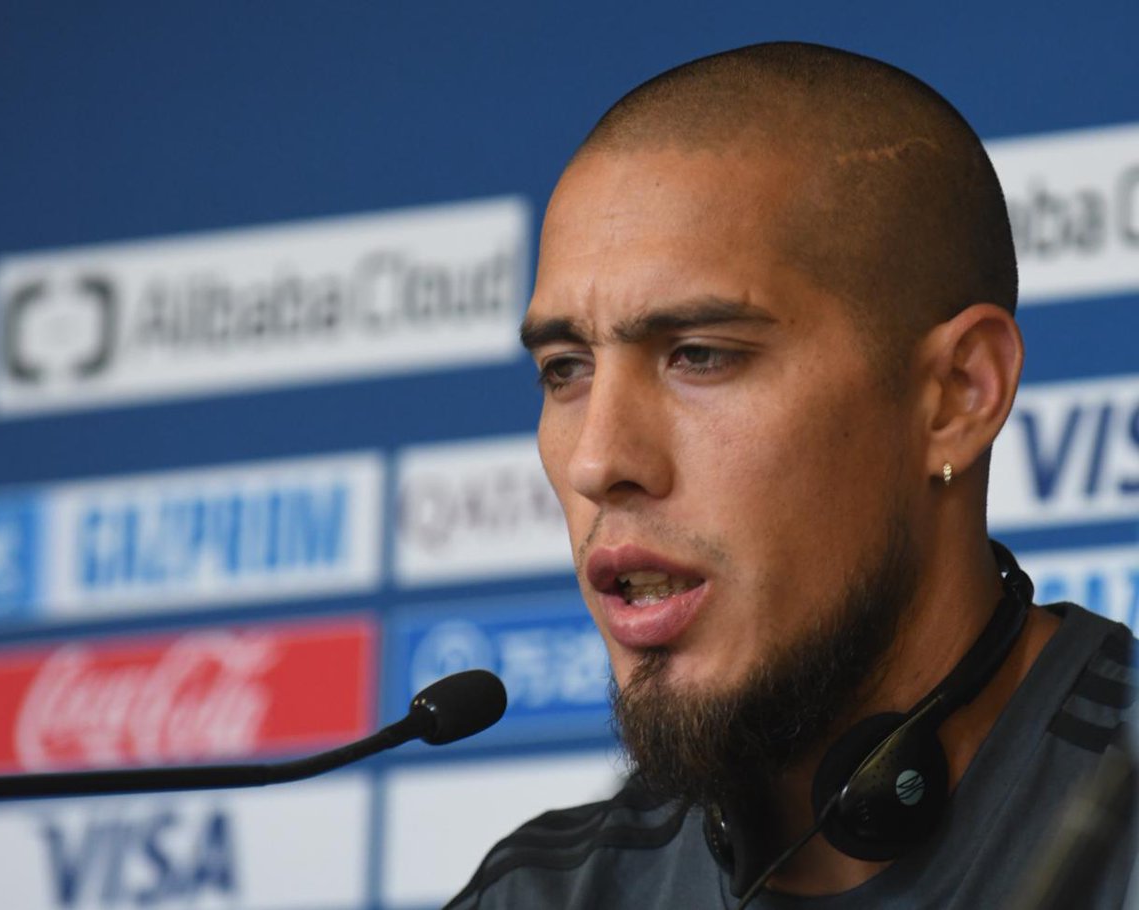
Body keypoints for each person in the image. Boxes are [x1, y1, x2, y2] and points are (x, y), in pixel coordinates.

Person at [446, 42, 1136, 909]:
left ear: (958, 396)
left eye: (700, 355)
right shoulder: (541, 894)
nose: (598, 460)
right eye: (565, 370)